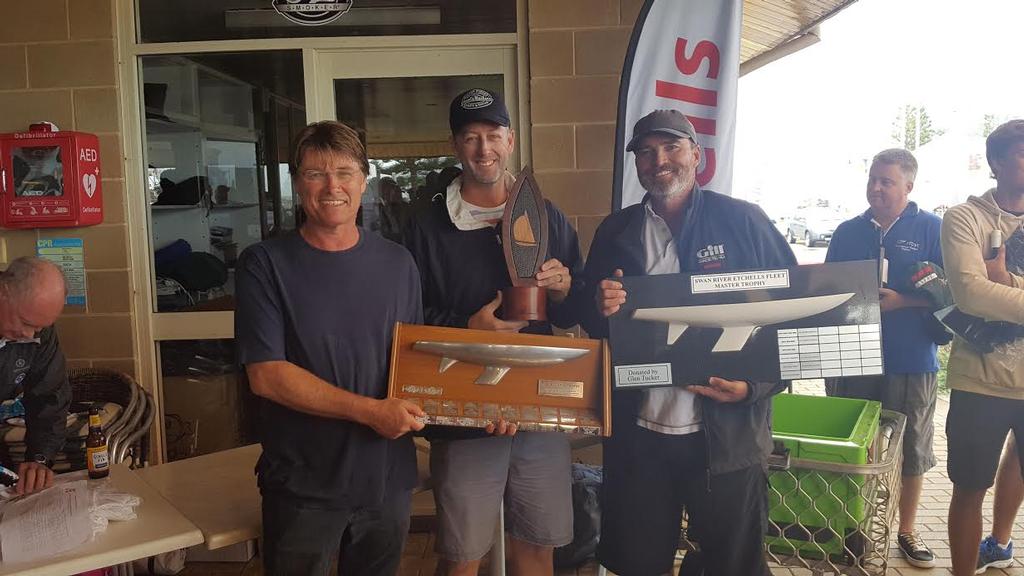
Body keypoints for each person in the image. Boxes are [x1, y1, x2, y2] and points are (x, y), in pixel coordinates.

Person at [581, 109, 796, 575]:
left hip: (726, 439)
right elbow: (592, 324)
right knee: (637, 563)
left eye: (672, 147)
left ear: (697, 155)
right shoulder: (615, 232)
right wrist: (598, 307)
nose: (659, 160)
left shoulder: (744, 222)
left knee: (732, 566)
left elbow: (791, 319)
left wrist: (751, 388)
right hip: (640, 440)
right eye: (646, 151)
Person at [404, 88, 582, 576]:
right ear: (455, 145)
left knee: (537, 546)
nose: (483, 149)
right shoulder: (427, 226)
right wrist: (467, 328)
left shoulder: (547, 218)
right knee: (463, 555)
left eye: (493, 136)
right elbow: (407, 315)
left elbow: (571, 315)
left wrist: (565, 289)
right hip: (462, 409)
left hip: (537, 408)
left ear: (510, 141)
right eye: (470, 137)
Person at [235, 121, 425, 576]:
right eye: (316, 173)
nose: (332, 186)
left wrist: (483, 407)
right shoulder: (265, 265)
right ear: (298, 184)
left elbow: (416, 364)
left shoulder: (398, 264)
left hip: (386, 481)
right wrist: (370, 412)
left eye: (344, 172)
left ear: (364, 180)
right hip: (304, 485)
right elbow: (267, 375)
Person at [823, 148, 943, 567]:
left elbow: (951, 297)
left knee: (913, 448)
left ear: (908, 186)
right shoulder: (846, 231)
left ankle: (907, 532)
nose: (876, 188)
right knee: (853, 448)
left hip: (912, 359)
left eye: (886, 181)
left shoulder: (934, 229)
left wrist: (903, 302)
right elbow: (827, 289)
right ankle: (849, 526)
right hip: (851, 359)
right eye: (872, 179)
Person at [942, 119, 1024, 576]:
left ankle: (1002, 543)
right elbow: (971, 293)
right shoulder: (965, 218)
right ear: (995, 163)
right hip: (981, 378)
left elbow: (993, 289)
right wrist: (990, 286)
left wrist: (1007, 281)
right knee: (969, 486)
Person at [0, 256, 69, 495]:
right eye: (26, 323)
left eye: (38, 328)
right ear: (4, 293)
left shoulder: (40, 332)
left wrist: (39, 459)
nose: (30, 334)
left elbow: (49, 395)